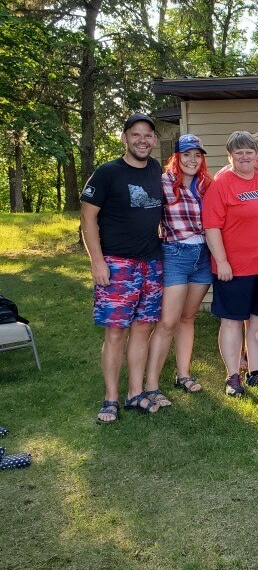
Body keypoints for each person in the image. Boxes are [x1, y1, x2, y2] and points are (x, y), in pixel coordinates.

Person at [80, 113, 164, 424]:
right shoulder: (107, 173)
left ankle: (135, 393)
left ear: (154, 140)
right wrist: (97, 261)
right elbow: (87, 218)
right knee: (116, 332)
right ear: (124, 138)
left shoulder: (156, 169)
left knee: (143, 328)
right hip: (117, 265)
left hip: (152, 264)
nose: (142, 140)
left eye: (148, 135)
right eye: (135, 134)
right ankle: (111, 398)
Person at [202, 131, 258, 396]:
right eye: (239, 153)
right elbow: (212, 227)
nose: (246, 157)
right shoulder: (222, 183)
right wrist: (222, 261)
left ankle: (255, 371)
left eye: (250, 152)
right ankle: (233, 375)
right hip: (235, 268)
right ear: (230, 156)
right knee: (233, 321)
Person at [144, 134, 213, 404]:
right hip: (175, 253)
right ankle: (151, 384)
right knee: (168, 322)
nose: (192, 160)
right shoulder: (163, 183)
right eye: (186, 154)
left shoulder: (206, 185)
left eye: (197, 155)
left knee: (187, 318)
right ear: (176, 157)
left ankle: (183, 374)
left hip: (203, 257)